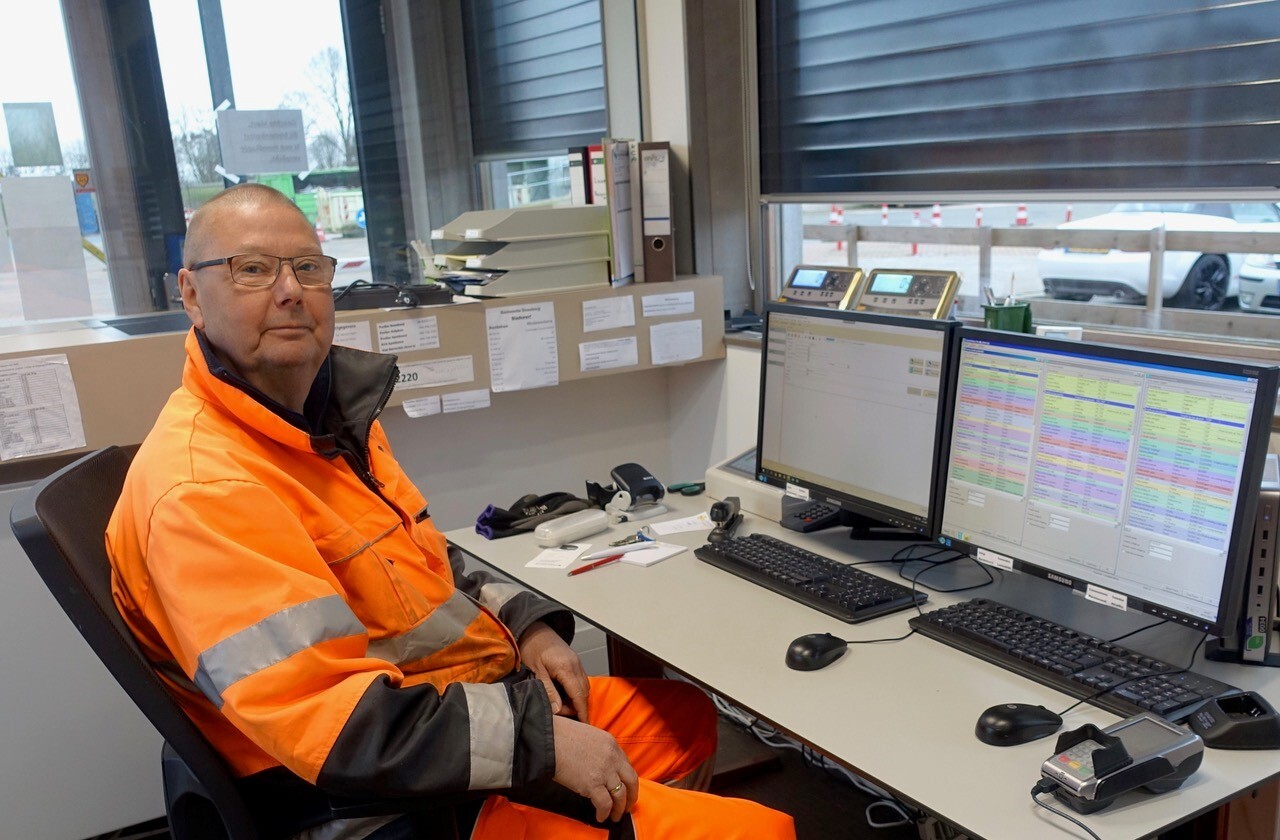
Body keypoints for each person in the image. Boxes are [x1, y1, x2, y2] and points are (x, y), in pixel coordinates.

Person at [106, 184, 796, 840]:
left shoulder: (321, 420)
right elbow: (344, 730)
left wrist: (527, 629)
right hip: (385, 799)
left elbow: (425, 561)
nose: (290, 291)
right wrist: (540, 742)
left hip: (452, 705)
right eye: (252, 269)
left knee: (684, 722)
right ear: (191, 294)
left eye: (308, 268)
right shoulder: (206, 490)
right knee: (764, 829)